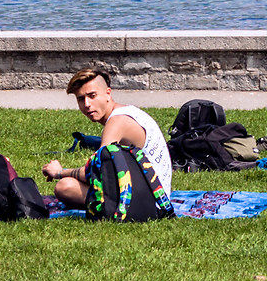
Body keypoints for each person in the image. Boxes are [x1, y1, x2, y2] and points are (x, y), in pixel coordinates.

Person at [45, 67, 173, 210]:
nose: (87, 104)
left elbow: (95, 173)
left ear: (108, 93)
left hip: (150, 203)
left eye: (92, 96)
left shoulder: (117, 122)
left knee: (65, 187)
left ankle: (108, 207)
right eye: (81, 99)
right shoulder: (126, 112)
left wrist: (59, 172)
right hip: (155, 194)